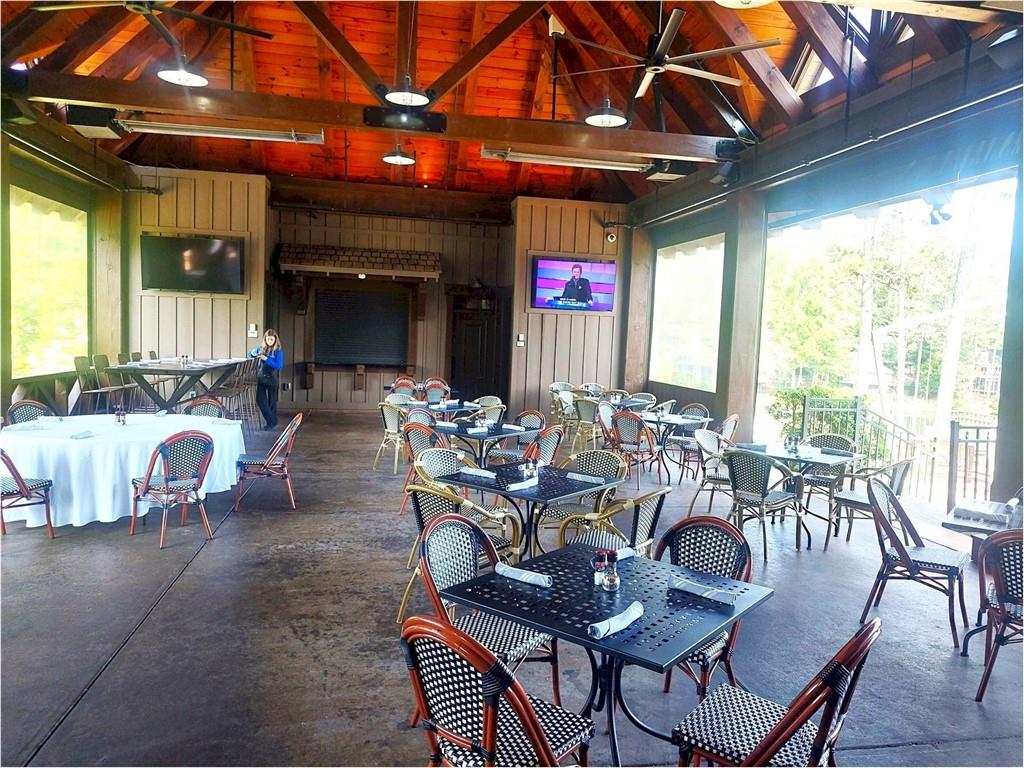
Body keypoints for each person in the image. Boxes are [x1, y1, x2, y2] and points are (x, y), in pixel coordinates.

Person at [252, 329, 284, 431]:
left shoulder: (278, 351)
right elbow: (250, 354)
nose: (270, 341)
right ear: (265, 339)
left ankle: (271, 423)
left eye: (272, 339)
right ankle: (272, 420)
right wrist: (253, 353)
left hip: (272, 377)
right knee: (260, 400)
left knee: (272, 402)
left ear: (275, 340)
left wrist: (267, 359)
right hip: (262, 377)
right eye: (268, 339)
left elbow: (279, 366)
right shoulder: (262, 348)